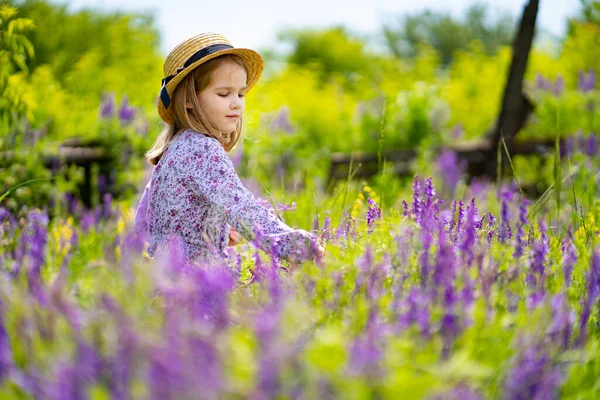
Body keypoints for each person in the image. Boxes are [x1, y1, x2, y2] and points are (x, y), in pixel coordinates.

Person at [134, 32, 324, 265]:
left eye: (241, 93)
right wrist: (294, 245)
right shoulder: (202, 149)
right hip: (197, 281)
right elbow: (240, 206)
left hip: (163, 276)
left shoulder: (174, 150)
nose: (236, 102)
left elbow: (144, 222)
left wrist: (216, 233)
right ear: (189, 100)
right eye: (224, 93)